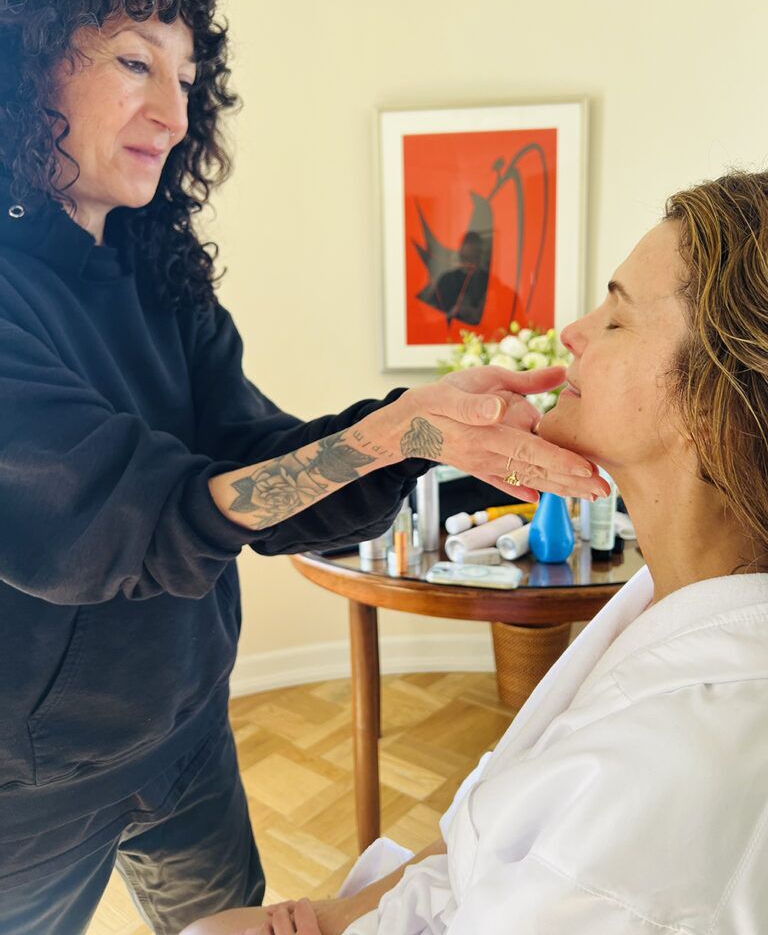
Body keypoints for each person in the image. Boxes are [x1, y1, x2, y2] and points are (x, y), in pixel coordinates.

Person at [0, 0, 606, 933]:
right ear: (26, 58)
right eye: (135, 60)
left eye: (188, 79)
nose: (173, 112)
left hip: (190, 737)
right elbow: (126, 519)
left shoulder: (162, 283)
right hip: (35, 787)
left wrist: (417, 432)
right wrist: (393, 433)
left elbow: (255, 472)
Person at [185, 171, 768, 935]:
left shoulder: (665, 777)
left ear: (716, 396)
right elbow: (484, 835)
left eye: (618, 320)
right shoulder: (674, 603)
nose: (574, 333)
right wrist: (331, 916)